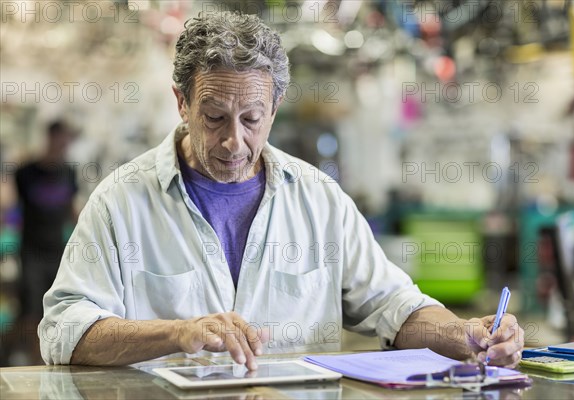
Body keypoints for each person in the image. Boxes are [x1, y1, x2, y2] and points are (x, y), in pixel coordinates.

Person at [39, 11, 523, 370]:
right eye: (214, 118)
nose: (234, 141)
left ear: (275, 108)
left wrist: (462, 333)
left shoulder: (319, 199)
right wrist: (176, 333)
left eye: (251, 119)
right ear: (181, 103)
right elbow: (62, 331)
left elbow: (395, 307)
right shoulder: (121, 201)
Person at [15, 119, 78, 363]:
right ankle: (33, 359)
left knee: (55, 308)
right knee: (31, 308)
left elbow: (73, 210)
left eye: (67, 140)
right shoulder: (26, 172)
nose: (63, 144)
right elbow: (9, 203)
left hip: (58, 251)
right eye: (60, 138)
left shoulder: (69, 173)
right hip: (31, 251)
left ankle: (50, 357)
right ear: (50, 138)